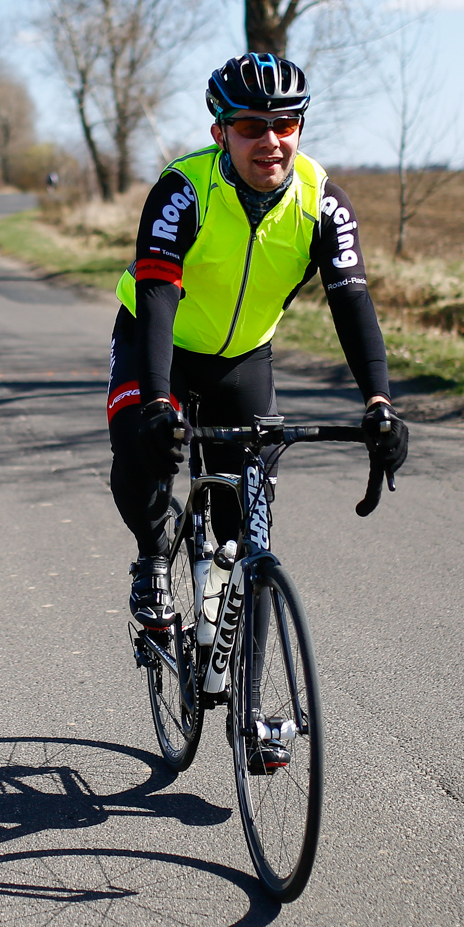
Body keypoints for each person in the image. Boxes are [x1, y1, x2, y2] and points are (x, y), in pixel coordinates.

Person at [105, 52, 409, 638]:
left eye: (285, 123)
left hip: (243, 358)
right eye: (250, 126)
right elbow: (159, 294)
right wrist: (159, 403)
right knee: (142, 451)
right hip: (159, 340)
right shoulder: (182, 190)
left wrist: (379, 404)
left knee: (243, 517)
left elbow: (352, 304)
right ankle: (152, 559)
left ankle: (228, 645)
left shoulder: (322, 203)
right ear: (220, 132)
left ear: (300, 127)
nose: (270, 140)